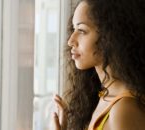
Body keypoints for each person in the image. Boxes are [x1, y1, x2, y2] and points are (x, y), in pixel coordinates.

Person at [52, 0, 145, 130]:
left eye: (82, 30)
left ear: (111, 36)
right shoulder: (103, 95)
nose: (70, 41)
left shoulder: (124, 109)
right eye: (74, 29)